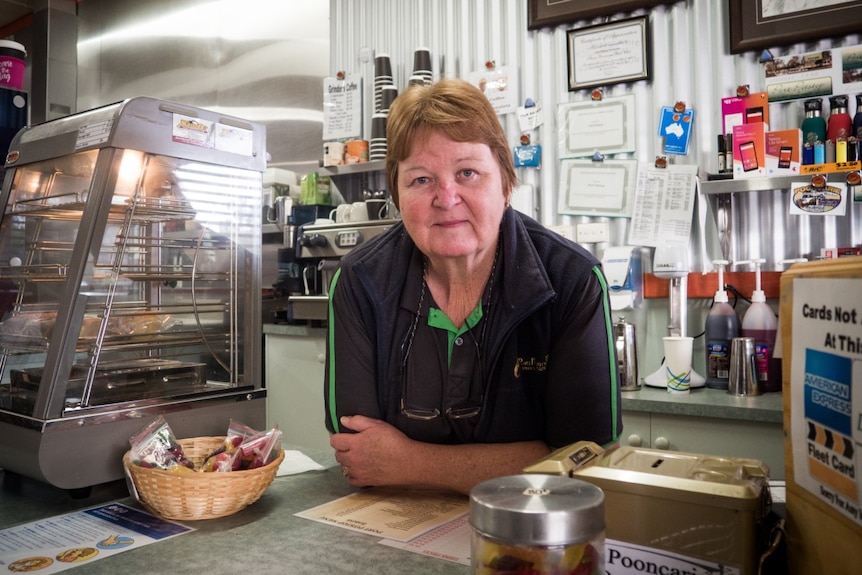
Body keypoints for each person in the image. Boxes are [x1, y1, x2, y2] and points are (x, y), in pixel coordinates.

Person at [324, 78, 622, 495]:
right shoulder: (359, 282)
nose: (447, 198)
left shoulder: (572, 281)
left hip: (532, 531)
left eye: (467, 172)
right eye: (421, 179)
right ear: (397, 192)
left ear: (505, 182)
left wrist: (410, 460)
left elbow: (587, 460)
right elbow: (361, 456)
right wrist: (529, 457)